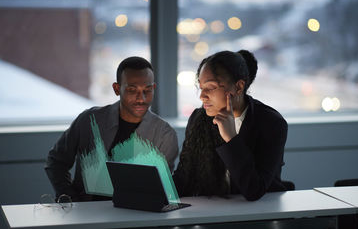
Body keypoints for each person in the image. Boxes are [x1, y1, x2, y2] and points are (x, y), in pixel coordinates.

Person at [45, 56, 179, 201]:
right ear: (116, 89)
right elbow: (56, 160)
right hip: (85, 213)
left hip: (135, 217)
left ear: (154, 88)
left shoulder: (164, 135)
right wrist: (68, 196)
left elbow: (160, 188)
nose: (141, 98)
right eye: (132, 90)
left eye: (147, 90)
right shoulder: (89, 121)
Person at [173, 50, 288, 201]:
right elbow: (183, 178)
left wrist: (231, 138)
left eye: (211, 87)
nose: (202, 96)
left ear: (239, 87)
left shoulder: (271, 123)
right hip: (212, 211)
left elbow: (254, 190)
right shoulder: (199, 118)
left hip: (260, 212)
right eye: (201, 88)